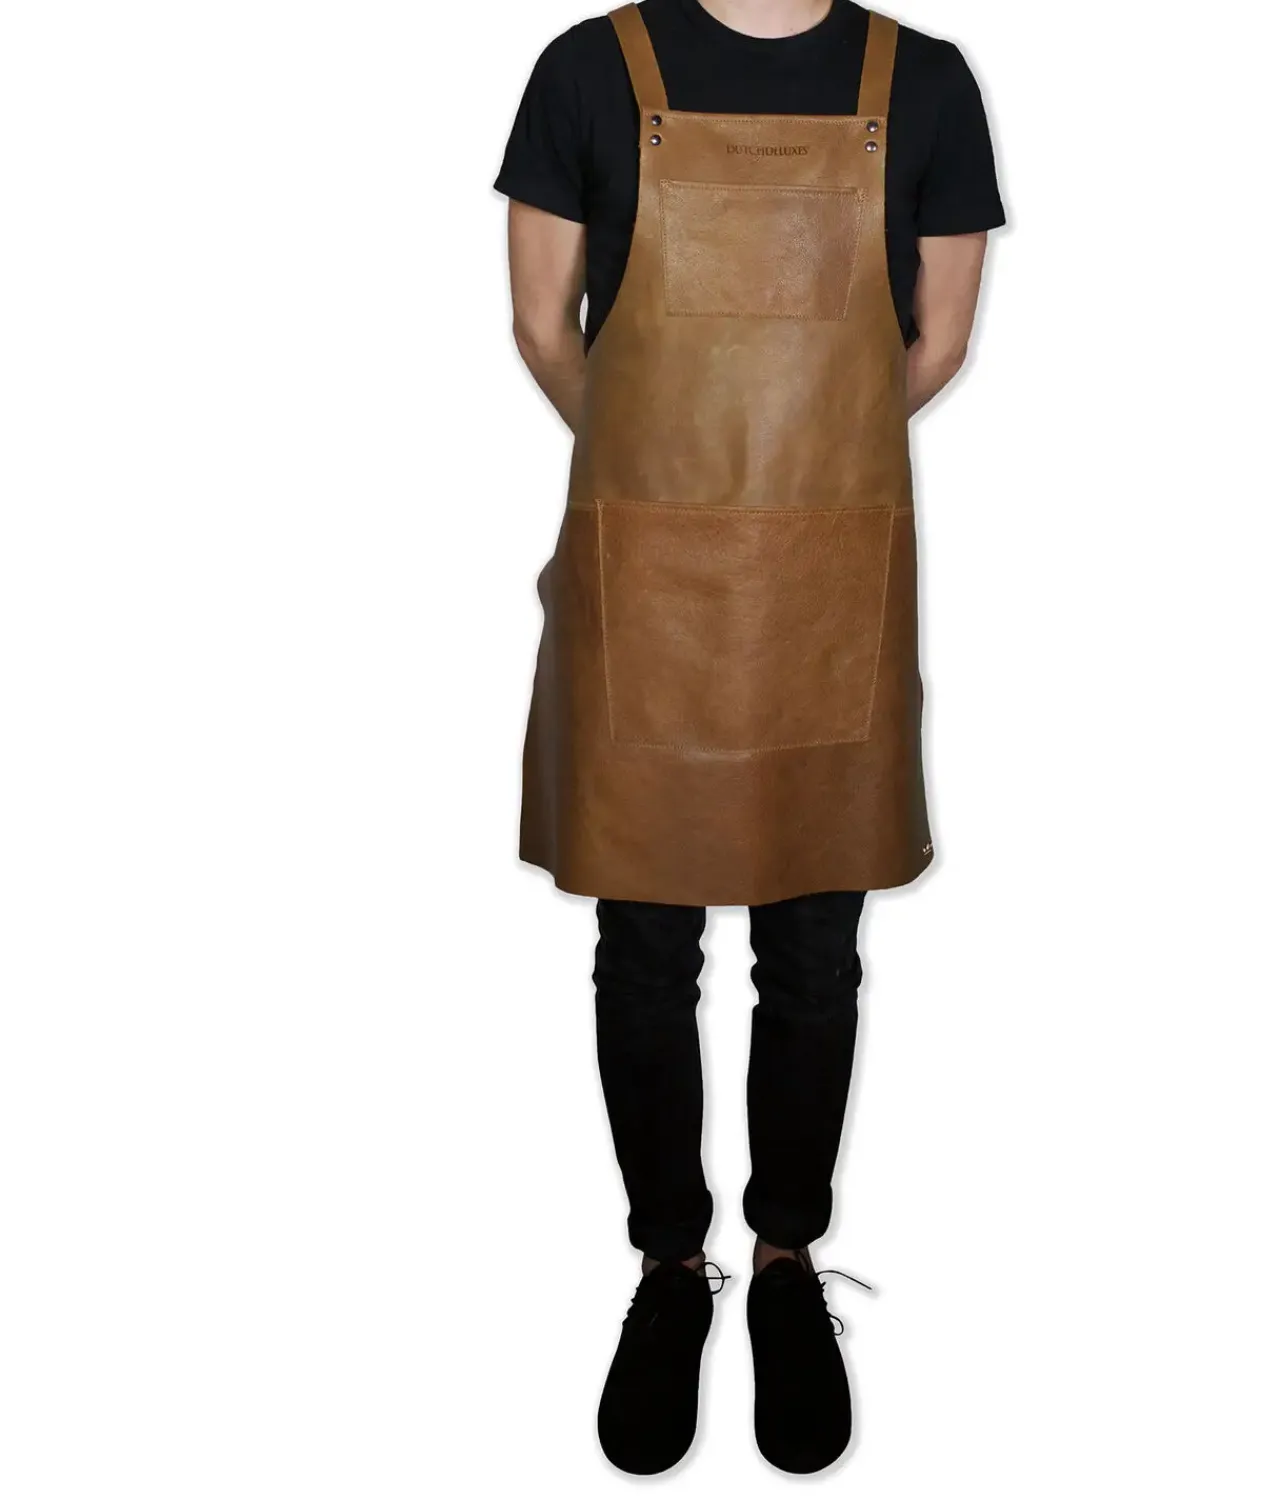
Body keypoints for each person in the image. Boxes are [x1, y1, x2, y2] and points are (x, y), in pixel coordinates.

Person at [494, 0, 1003, 1475]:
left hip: (825, 580)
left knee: (816, 949)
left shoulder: (926, 83)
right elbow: (540, 324)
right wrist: (663, 468)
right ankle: (671, 1265)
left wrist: (797, 469)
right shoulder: (589, 71)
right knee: (644, 949)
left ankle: (786, 1262)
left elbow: (935, 342)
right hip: (648, 580)